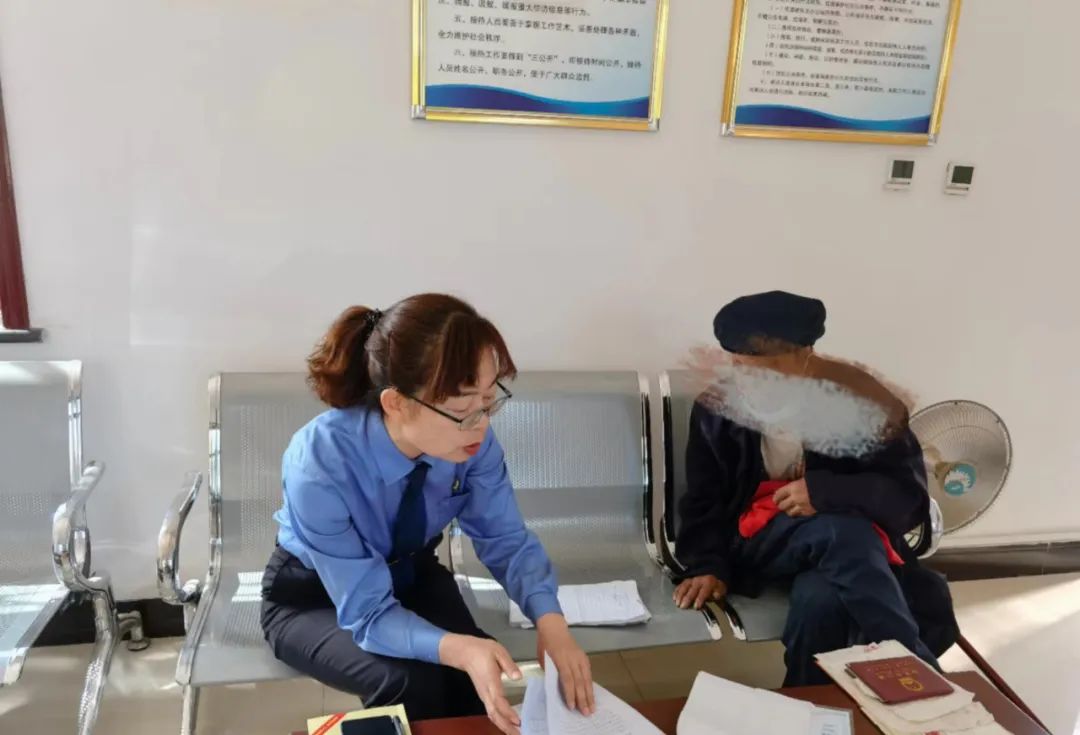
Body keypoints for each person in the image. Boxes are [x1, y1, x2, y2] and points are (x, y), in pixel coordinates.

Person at [261, 294, 594, 733]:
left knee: (475, 675)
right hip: (312, 598)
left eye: (488, 401)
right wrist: (459, 648)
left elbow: (505, 539)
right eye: (461, 411)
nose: (481, 424)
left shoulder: (472, 442)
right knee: (407, 682)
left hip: (412, 574)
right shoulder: (320, 461)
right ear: (396, 403)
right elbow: (367, 611)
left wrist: (552, 624)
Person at [673, 291, 958, 687]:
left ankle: (806, 702)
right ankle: (919, 674)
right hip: (759, 542)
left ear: (806, 355)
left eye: (769, 370)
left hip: (851, 558)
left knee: (820, 598)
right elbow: (704, 497)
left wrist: (826, 492)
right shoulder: (717, 409)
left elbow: (908, 499)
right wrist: (707, 564)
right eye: (739, 367)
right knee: (843, 532)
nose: (750, 383)